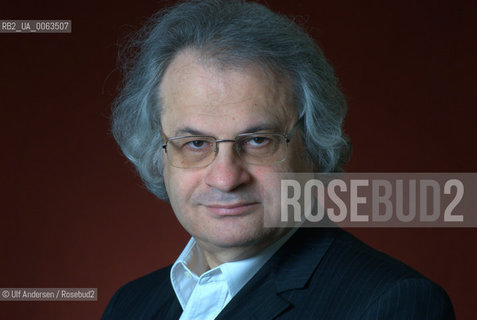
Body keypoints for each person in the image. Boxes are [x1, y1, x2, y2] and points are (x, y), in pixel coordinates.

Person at [102, 0, 455, 319]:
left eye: (258, 141)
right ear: (159, 152)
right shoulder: (130, 305)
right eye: (195, 143)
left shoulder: (392, 304)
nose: (226, 178)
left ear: (315, 146)